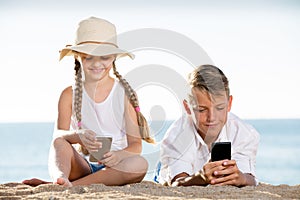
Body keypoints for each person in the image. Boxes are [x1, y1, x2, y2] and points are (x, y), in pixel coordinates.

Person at [23, 16, 154, 187]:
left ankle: (66, 185)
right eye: (88, 57)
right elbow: (58, 136)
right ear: (77, 57)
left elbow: (136, 145)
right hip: (83, 166)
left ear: (114, 57)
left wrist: (118, 156)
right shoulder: (68, 94)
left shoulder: (123, 94)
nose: (96, 63)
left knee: (140, 164)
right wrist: (78, 136)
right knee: (59, 143)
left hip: (115, 168)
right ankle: (61, 178)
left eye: (104, 57)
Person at [157, 64, 260, 187]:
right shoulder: (176, 136)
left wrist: (241, 177)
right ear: (187, 107)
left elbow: (250, 178)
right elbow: (176, 182)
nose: (212, 117)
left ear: (229, 104)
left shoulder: (245, 134)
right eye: (201, 110)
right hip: (168, 170)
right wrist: (200, 177)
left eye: (220, 108)